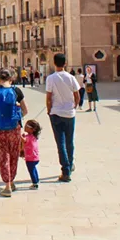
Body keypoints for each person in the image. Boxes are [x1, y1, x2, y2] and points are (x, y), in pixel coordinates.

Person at [0, 69, 27, 197]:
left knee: (3, 155)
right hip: (15, 128)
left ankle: (7, 185)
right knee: (14, 154)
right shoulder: (17, 91)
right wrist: (16, 116)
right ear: (11, 79)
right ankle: (11, 181)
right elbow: (25, 110)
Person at [46, 53, 81, 182]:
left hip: (56, 113)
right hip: (69, 113)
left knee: (60, 143)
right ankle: (70, 165)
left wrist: (49, 110)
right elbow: (77, 96)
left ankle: (65, 170)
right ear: (65, 63)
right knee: (69, 141)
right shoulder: (71, 78)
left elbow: (49, 97)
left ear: (54, 63)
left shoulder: (51, 78)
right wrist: (74, 106)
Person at [21, 119, 42, 189]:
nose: (25, 126)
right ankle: (37, 180)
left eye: (27, 126)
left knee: (31, 171)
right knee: (34, 169)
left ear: (33, 129)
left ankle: (35, 183)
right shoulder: (33, 137)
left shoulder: (29, 137)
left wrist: (18, 134)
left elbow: (24, 140)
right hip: (35, 158)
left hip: (30, 158)